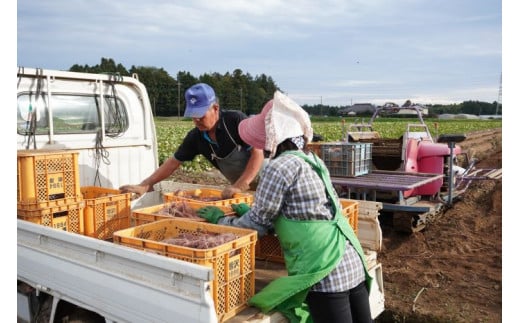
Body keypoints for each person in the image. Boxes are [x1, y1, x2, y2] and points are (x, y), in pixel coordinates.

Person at [197, 91, 373, 323]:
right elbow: (298, 211)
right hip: (349, 257)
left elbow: (256, 225)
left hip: (323, 267)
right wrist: (251, 212)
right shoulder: (312, 159)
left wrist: (221, 220)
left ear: (273, 136)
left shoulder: (278, 167)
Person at [120, 83, 265, 199]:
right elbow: (173, 163)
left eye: (200, 115)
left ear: (215, 108)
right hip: (243, 188)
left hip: (267, 178)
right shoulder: (196, 137)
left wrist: (240, 185)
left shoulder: (235, 121)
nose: (196, 120)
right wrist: (145, 184)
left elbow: (257, 153)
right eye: (193, 115)